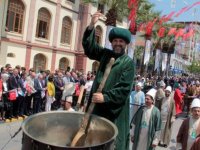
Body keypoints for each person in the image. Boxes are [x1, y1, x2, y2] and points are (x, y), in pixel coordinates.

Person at [82, 11, 135, 150]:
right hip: (96, 109)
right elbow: (90, 49)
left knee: (111, 143)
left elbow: (124, 89)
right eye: (115, 41)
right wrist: (91, 26)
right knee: (92, 141)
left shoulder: (128, 63)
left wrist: (105, 97)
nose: (118, 43)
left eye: (121, 41)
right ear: (111, 42)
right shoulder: (105, 54)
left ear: (125, 44)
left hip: (113, 112)